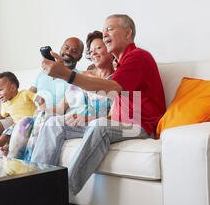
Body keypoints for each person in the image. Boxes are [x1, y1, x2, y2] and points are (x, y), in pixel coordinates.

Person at [30, 14, 167, 195]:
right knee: (54, 123)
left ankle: (61, 195)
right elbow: (116, 107)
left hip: (141, 126)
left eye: (109, 29)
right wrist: (88, 117)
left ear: (128, 33)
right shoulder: (120, 64)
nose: (105, 35)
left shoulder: (138, 57)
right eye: (103, 31)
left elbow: (110, 88)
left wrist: (67, 75)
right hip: (119, 123)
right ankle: (35, 187)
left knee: (100, 126)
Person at [0, 31, 115, 159]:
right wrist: (41, 112)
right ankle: (13, 164)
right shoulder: (83, 77)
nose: (94, 53)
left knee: (49, 122)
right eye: (91, 51)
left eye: (98, 48)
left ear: (110, 50)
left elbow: (115, 115)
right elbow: (61, 107)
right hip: (72, 117)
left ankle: (28, 168)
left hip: (92, 120)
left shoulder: (117, 79)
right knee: (27, 121)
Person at [0, 37, 84, 152]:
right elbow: (29, 92)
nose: (68, 52)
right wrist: (11, 105)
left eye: (74, 50)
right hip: (19, 110)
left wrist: (41, 112)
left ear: (80, 56)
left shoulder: (78, 79)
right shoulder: (44, 72)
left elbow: (64, 108)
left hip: (34, 118)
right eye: (66, 47)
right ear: (60, 49)